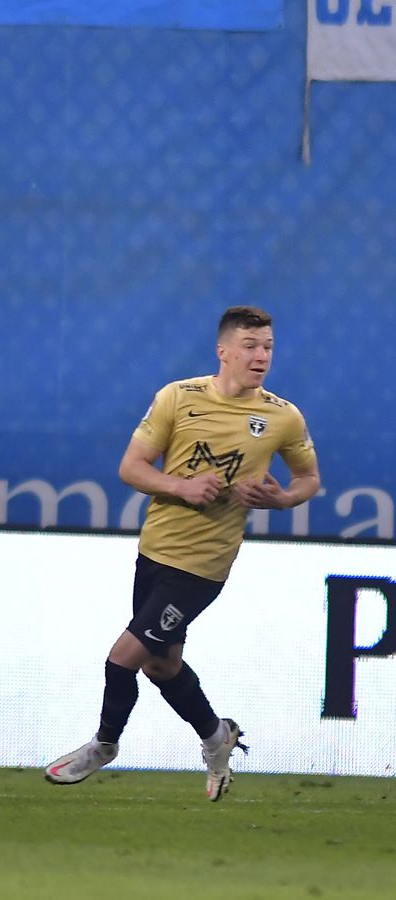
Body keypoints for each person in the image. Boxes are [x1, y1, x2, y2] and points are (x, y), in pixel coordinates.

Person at [44, 305, 319, 801]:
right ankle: (217, 736)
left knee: (122, 660)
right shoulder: (178, 397)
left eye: (268, 348)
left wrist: (281, 499)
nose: (261, 357)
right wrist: (181, 486)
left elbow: (309, 478)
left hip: (202, 567)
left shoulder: (282, 416)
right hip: (155, 551)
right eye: (251, 346)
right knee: (162, 666)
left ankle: (104, 744)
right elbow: (131, 467)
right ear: (224, 351)